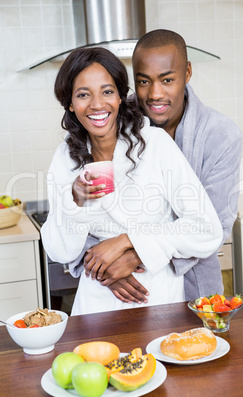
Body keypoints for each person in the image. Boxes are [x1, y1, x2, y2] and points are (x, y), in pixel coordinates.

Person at [41, 47, 223, 315]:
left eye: (107, 91)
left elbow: (207, 230)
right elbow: (60, 252)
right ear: (70, 103)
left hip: (158, 298)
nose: (97, 104)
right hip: (96, 303)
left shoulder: (155, 145)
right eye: (83, 95)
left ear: (119, 96)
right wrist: (74, 201)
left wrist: (129, 242)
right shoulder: (66, 158)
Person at [72, 29, 242, 303]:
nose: (155, 94)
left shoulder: (220, 135)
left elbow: (214, 226)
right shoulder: (110, 119)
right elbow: (90, 211)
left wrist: (133, 249)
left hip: (194, 287)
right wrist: (109, 269)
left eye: (167, 79)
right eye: (143, 81)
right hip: (118, 288)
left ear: (187, 73)